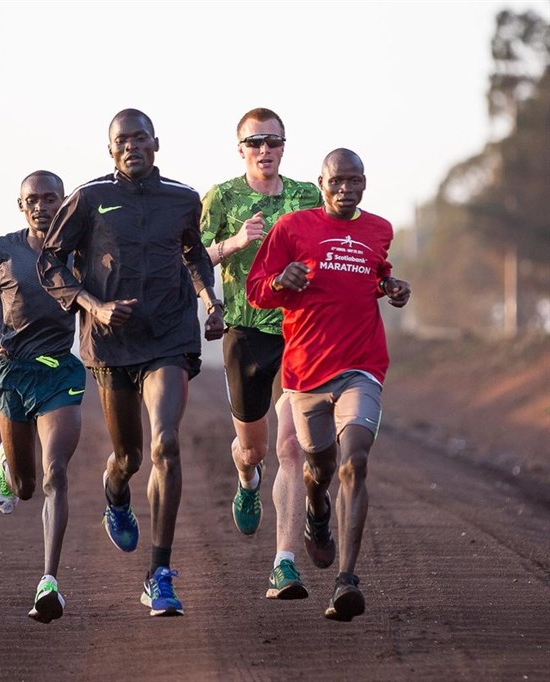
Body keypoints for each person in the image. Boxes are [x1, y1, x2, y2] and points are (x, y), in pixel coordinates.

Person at [38, 109, 225, 617]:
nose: (132, 147)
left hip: (169, 335)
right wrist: (93, 306)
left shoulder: (184, 200)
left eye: (140, 138)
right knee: (130, 457)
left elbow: (195, 254)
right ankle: (115, 492)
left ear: (156, 143)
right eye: (122, 141)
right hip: (111, 343)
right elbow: (50, 263)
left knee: (166, 443)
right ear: (111, 150)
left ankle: (158, 573)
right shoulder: (90, 198)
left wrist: (212, 302)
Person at [246, 148, 411, 621]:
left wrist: (394, 289)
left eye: (354, 180)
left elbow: (377, 276)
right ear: (320, 183)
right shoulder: (293, 228)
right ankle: (318, 516)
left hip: (362, 368)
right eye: (336, 181)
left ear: (364, 182)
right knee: (318, 470)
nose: (345, 188)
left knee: (354, 463)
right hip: (305, 377)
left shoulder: (379, 229)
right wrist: (282, 279)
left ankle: (346, 581)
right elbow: (257, 290)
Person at [199, 108, 322, 599]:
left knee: (292, 447)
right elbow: (190, 257)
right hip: (246, 332)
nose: (264, 150)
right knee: (255, 447)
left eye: (273, 142)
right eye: (255, 142)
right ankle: (247, 477)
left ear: (284, 146)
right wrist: (233, 242)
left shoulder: (306, 196)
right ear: (241, 149)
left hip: (298, 333)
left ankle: (284, 564)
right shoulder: (222, 197)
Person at [0, 170, 83, 624]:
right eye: (33, 200)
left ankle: (49, 580)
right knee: (27, 487)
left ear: (64, 202)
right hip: (11, 372)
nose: (41, 206)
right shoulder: (0, 252)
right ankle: (7, 465)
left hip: (59, 373)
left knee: (56, 473)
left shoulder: (78, 250)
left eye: (51, 198)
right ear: (21, 206)